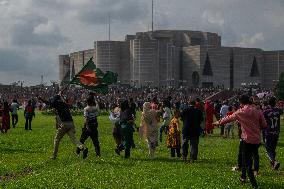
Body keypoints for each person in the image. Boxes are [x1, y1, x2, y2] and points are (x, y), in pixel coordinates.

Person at [215, 95, 267, 188]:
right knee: (247, 159)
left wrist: (218, 122)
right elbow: (264, 124)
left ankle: (254, 184)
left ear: (241, 103)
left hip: (246, 139)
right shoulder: (258, 110)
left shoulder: (241, 111)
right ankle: (243, 177)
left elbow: (229, 118)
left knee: (247, 163)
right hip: (257, 140)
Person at [39, 93, 88, 160]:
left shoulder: (57, 104)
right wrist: (60, 95)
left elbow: (49, 103)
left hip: (64, 124)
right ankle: (83, 147)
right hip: (71, 123)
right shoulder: (64, 104)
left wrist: (41, 99)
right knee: (74, 139)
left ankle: (54, 156)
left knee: (56, 139)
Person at [263, 96, 282, 170]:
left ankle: (274, 161)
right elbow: (280, 110)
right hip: (276, 132)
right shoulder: (278, 111)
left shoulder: (265, 112)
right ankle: (273, 164)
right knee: (273, 148)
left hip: (268, 132)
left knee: (268, 149)